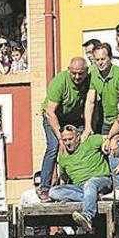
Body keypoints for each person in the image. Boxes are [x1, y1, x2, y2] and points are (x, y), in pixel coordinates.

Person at [37, 57, 90, 201]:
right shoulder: (59, 82)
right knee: (54, 147)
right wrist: (60, 139)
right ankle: (44, 188)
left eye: (80, 73)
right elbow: (50, 111)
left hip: (74, 118)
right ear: (69, 70)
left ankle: (80, 185)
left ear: (86, 72)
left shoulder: (90, 80)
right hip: (53, 116)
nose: (77, 77)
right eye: (74, 73)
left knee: (84, 144)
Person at [48, 125, 112, 233]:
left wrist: (112, 141)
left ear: (78, 136)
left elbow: (111, 138)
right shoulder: (63, 156)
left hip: (101, 181)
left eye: (70, 139)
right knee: (53, 192)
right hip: (80, 187)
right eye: (65, 140)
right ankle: (91, 198)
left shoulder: (90, 141)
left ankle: (87, 216)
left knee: (90, 183)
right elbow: (64, 178)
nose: (68, 143)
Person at [83, 44, 119, 136]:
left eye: (103, 59)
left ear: (110, 57)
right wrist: (88, 127)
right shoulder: (92, 75)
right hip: (105, 121)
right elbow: (90, 102)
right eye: (97, 60)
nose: (100, 63)